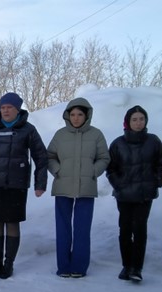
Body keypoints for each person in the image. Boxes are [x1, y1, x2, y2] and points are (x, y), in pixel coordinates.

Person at [0, 93, 48, 279]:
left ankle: (9, 263)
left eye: (9, 107)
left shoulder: (28, 130)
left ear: (17, 110)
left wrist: (40, 184)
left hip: (16, 184)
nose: (5, 110)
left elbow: (41, 157)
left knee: (12, 223)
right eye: (3, 107)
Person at [47, 97, 110, 278]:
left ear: (86, 115)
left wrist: (93, 171)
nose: (75, 118)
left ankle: (79, 267)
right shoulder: (60, 135)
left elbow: (104, 157)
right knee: (63, 228)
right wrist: (57, 170)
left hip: (86, 187)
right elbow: (49, 156)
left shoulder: (96, 134)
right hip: (63, 185)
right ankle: (64, 266)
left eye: (79, 114)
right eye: (72, 114)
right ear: (67, 116)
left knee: (82, 229)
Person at [106, 105, 162, 282]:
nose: (138, 123)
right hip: (124, 195)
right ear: (127, 122)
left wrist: (155, 181)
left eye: (141, 119)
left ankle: (136, 268)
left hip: (144, 195)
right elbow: (110, 168)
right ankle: (126, 266)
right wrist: (118, 185)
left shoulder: (153, 141)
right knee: (125, 230)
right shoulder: (118, 143)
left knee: (140, 230)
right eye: (134, 119)